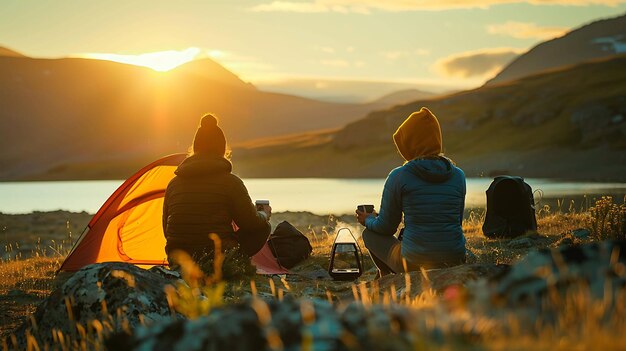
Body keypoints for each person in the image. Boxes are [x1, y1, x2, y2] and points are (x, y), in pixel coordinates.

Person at [356, 107, 466, 277]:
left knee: (369, 234)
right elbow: (455, 222)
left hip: (414, 263)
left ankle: (387, 279)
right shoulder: (458, 175)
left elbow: (386, 228)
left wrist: (369, 220)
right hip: (455, 259)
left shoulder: (399, 176)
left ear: (410, 144)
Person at [162, 114, 272, 269]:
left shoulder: (174, 184)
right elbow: (250, 222)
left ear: (194, 148)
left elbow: (166, 229)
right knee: (263, 227)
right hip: (216, 260)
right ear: (223, 149)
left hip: (178, 260)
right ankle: (235, 264)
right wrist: (264, 214)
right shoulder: (231, 182)